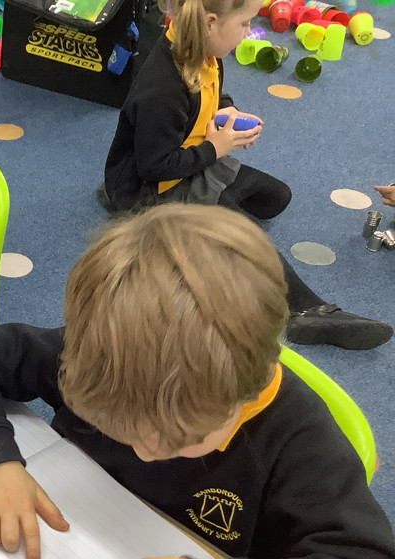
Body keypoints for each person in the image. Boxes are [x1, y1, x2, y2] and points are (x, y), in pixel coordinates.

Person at [0, 204, 395, 559]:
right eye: (116, 428)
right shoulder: (104, 356)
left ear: (243, 396)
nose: (145, 452)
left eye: (179, 439)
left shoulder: (299, 441)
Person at [101, 0, 392, 350]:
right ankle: (305, 311)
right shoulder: (162, 86)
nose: (248, 32)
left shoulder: (200, 48)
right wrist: (216, 149)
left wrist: (227, 110)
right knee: (247, 237)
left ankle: (206, 221)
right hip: (154, 187)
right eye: (243, 23)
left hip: (192, 157)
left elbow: (211, 93)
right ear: (211, 23)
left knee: (276, 197)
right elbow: (154, 166)